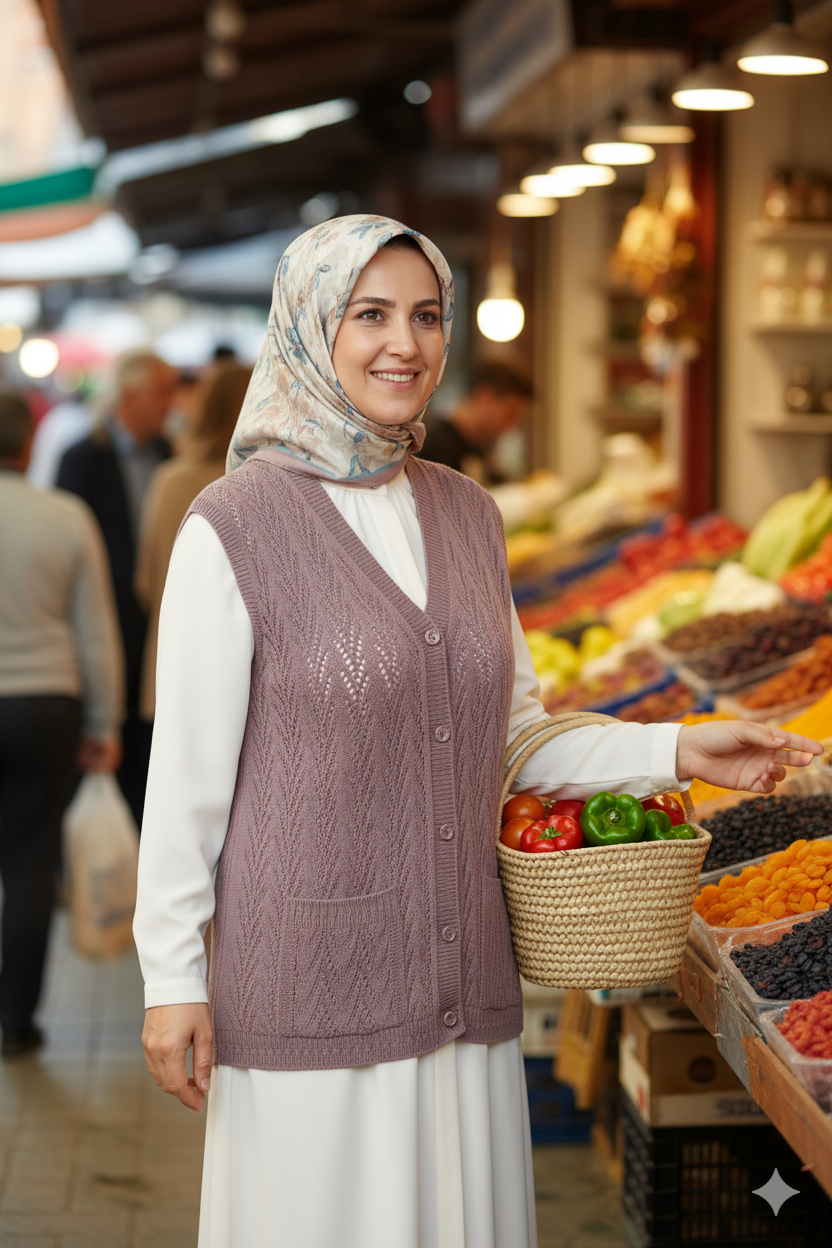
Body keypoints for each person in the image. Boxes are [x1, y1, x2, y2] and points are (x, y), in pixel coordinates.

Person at [133, 216, 822, 1248]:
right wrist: (170, 980)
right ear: (309, 328)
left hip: (461, 987)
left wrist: (675, 746)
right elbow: (185, 784)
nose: (402, 344)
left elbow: (512, 739)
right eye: (368, 315)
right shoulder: (232, 529)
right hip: (311, 989)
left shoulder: (465, 513)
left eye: (425, 315)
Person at [0, 393, 123, 1057]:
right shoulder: (66, 517)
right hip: (47, 703)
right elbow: (95, 630)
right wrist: (104, 721)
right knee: (27, 865)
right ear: (28, 445)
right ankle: (14, 1020)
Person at [56, 351, 175, 825]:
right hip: (105, 621)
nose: (171, 403)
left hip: (158, 623)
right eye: (162, 392)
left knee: (153, 745)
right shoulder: (83, 458)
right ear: (130, 396)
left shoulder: (169, 452)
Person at [135, 363, 252, 721]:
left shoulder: (172, 479)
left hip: (176, 663)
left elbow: (146, 584)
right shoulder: (273, 485)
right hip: (251, 676)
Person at [419, 360, 534, 482]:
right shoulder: (438, 448)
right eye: (510, 414)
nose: (511, 426)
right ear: (484, 397)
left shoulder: (478, 449)